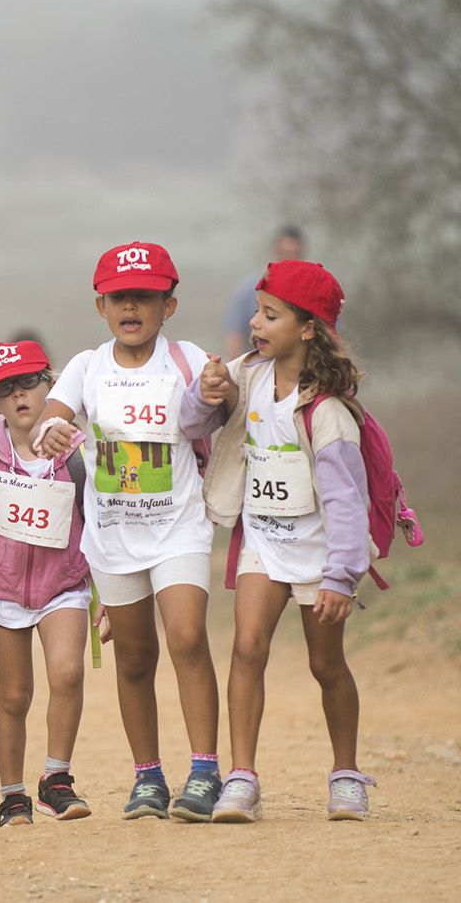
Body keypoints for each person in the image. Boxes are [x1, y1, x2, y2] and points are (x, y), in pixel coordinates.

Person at [32, 243, 222, 821]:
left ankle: (206, 772)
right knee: (135, 657)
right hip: (114, 536)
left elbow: (212, 406)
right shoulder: (87, 367)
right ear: (101, 305)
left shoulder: (187, 359)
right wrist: (54, 434)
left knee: (187, 636)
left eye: (145, 295)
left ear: (170, 305)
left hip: (179, 526)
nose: (131, 306)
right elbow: (51, 419)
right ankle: (148, 779)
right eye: (120, 297)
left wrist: (219, 391)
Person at [183, 260, 377, 822]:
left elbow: (345, 501)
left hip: (319, 553)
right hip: (263, 542)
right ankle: (242, 777)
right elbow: (195, 423)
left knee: (327, 665)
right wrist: (204, 392)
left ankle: (346, 776)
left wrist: (342, 575)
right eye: (256, 312)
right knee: (247, 648)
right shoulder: (244, 376)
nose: (255, 323)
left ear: (308, 328)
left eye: (270, 315)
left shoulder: (328, 411)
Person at [0, 341, 93, 826]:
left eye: (30, 383)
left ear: (50, 384)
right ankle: (12, 795)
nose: (21, 397)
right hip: (2, 594)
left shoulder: (78, 455)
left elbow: (96, 525)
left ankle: (57, 779)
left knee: (68, 673)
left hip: (64, 587)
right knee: (13, 697)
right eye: (6, 390)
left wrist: (108, 594)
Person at [223, 226, 305, 361]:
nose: (287, 259)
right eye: (283, 253)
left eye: (293, 254)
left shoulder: (313, 293)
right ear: (274, 251)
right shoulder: (249, 289)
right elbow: (235, 336)